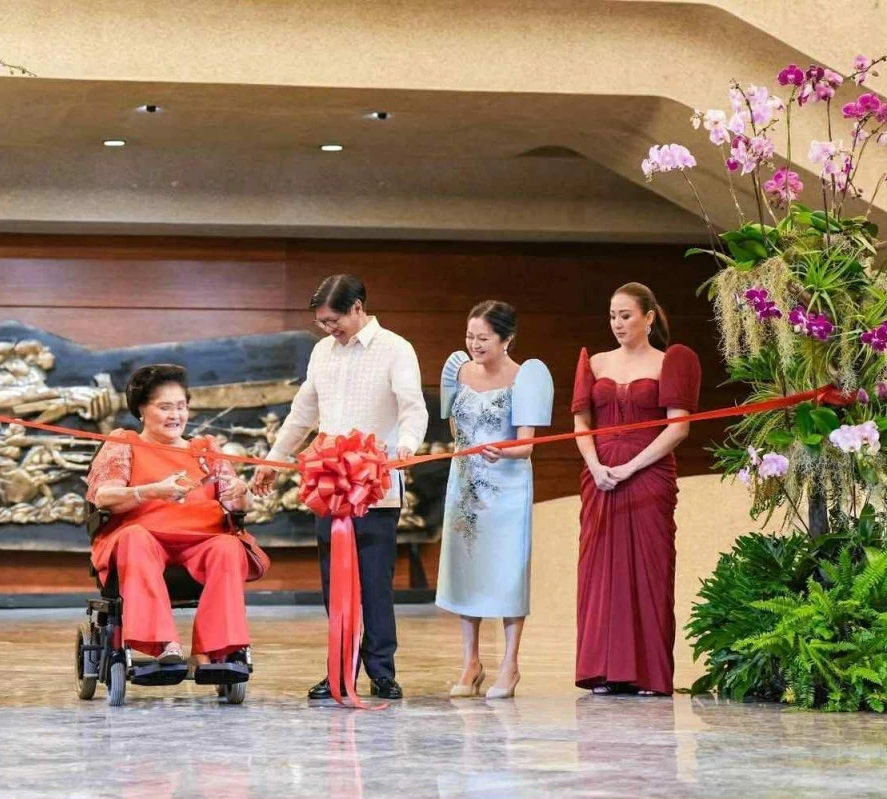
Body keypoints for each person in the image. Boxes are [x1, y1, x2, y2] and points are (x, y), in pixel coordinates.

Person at [252, 274, 428, 700]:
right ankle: (339, 670)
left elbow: (413, 408)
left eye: (334, 320)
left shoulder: (396, 349)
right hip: (328, 489)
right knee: (335, 584)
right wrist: (272, 460)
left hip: (374, 490)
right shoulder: (321, 352)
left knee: (374, 585)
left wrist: (404, 448)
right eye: (322, 323)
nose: (329, 329)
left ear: (357, 308)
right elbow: (302, 412)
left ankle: (381, 671)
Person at [85, 364, 269, 664]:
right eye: (165, 407)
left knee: (228, 546)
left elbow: (235, 506)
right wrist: (151, 491)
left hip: (202, 539)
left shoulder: (205, 449)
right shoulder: (123, 444)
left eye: (181, 407)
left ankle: (210, 652)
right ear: (142, 410)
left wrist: (239, 493)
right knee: (134, 537)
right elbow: (103, 497)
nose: (176, 415)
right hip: (144, 538)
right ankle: (165, 644)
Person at [571, 282, 701, 696]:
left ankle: (647, 673)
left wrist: (629, 467)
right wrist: (596, 467)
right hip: (599, 477)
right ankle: (602, 670)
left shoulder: (671, 361)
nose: (617, 323)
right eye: (612, 316)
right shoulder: (594, 362)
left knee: (650, 568)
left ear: (648, 317)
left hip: (648, 475)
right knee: (599, 570)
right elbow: (580, 425)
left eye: (625, 315)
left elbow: (678, 427)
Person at [437, 301, 553, 699]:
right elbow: (456, 429)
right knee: (466, 569)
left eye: (483, 338)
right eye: (470, 336)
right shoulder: (457, 371)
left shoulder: (527, 377)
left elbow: (527, 445)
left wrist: (503, 450)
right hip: (466, 485)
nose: (474, 345)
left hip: (507, 487)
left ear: (506, 339)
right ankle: (470, 662)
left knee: (507, 572)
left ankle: (510, 664)